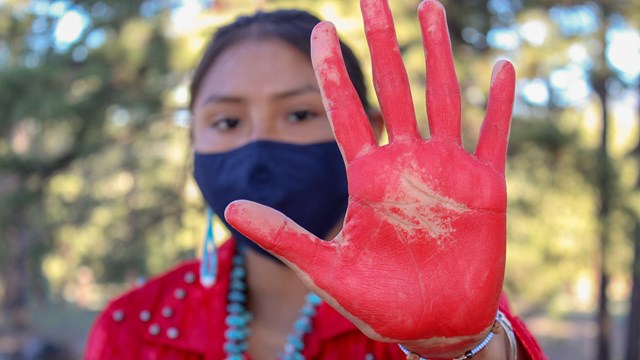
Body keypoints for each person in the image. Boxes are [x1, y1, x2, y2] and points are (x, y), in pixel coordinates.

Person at [85, 0, 548, 359]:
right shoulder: (134, 327)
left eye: (300, 114)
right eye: (227, 122)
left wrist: (454, 350)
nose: (260, 147)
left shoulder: (440, 304)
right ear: (191, 141)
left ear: (370, 128)